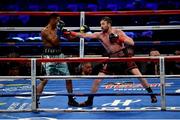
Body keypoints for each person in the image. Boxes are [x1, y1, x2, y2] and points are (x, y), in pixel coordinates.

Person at [63, 16, 157, 106]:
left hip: (124, 57)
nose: (101, 26)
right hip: (112, 59)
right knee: (97, 80)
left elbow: (132, 42)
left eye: (103, 24)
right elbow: (85, 35)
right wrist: (71, 32)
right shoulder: (100, 35)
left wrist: (119, 38)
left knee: (139, 76)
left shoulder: (117, 31)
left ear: (109, 24)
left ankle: (152, 95)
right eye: (101, 24)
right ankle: (89, 101)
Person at [40, 13, 79, 107]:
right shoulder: (45, 31)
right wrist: (59, 30)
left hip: (59, 55)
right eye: (57, 20)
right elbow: (55, 42)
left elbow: (71, 38)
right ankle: (35, 100)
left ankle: (70, 99)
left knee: (68, 78)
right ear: (52, 19)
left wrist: (81, 32)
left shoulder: (59, 29)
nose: (59, 22)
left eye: (59, 20)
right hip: (48, 57)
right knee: (44, 80)